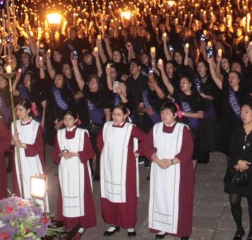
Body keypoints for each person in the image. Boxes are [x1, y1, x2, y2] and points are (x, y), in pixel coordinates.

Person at [138, 102, 194, 240]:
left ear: (175, 115)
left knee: (180, 200)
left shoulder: (183, 129)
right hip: (159, 170)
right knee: (160, 197)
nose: (164, 115)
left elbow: (188, 150)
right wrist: (157, 161)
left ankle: (182, 230)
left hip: (178, 170)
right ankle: (162, 227)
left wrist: (171, 162)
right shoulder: (156, 128)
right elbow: (147, 147)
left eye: (168, 113)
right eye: (162, 113)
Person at [97, 104, 148, 237]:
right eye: (114, 114)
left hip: (125, 168)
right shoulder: (106, 126)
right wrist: (106, 153)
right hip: (109, 166)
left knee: (126, 195)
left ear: (125, 116)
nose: (115, 117)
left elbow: (147, 139)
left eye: (119, 114)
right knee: (110, 194)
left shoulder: (130, 128)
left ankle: (129, 224)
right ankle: (114, 223)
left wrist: (138, 152)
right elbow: (99, 141)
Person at [225, 102, 252, 240]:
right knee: (234, 201)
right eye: (241, 112)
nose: (243, 115)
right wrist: (237, 162)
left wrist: (246, 164)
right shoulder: (237, 130)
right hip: (236, 168)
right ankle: (239, 229)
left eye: (246, 112)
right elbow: (230, 149)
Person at [51, 109, 96, 236]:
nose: (67, 122)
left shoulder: (82, 133)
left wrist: (75, 154)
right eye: (65, 119)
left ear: (76, 120)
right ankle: (68, 222)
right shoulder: (59, 134)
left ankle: (82, 223)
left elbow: (90, 152)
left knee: (80, 195)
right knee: (66, 194)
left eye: (70, 119)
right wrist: (60, 154)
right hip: (65, 169)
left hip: (78, 168)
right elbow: (55, 152)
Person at [11, 99, 46, 206]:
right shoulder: (14, 124)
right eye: (17, 110)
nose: (18, 113)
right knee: (21, 190)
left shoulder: (36, 126)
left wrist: (23, 144)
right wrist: (13, 141)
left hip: (32, 162)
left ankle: (38, 211)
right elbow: (9, 142)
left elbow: (39, 146)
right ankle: (23, 212)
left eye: (21, 110)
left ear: (28, 110)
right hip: (19, 161)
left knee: (34, 190)